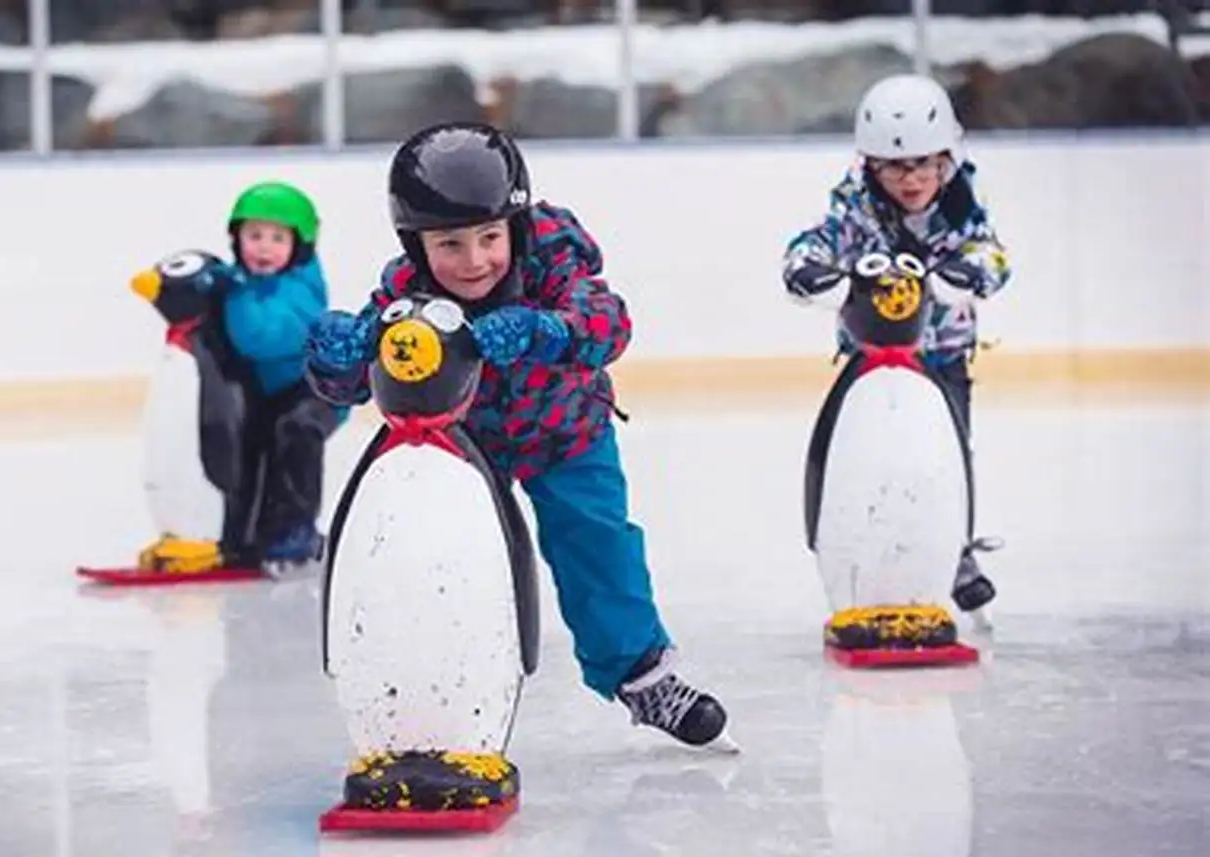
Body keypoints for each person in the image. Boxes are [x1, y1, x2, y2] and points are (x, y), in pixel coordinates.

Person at [304, 122, 736, 751]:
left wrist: (549, 331)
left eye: (488, 238)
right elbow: (363, 382)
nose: (474, 261)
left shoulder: (554, 256)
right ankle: (431, 687)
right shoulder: (405, 292)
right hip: (464, 449)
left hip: (566, 432)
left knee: (595, 540)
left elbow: (607, 322)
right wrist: (338, 361)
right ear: (416, 244)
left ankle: (643, 678)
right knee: (442, 560)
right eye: (450, 244)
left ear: (515, 224)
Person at [781, 73, 1012, 615]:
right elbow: (808, 247)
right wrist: (811, 274)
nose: (911, 179)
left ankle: (957, 551)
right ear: (870, 164)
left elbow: (994, 255)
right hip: (868, 361)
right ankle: (831, 534)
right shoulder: (854, 209)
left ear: (945, 159)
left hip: (942, 357)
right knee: (839, 447)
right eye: (894, 166)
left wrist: (966, 273)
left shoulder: (963, 208)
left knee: (952, 451)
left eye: (923, 163)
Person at [138, 181, 342, 578]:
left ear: (299, 245)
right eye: (254, 235)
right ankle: (242, 533)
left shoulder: (302, 291)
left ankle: (295, 528)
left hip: (312, 390)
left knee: (293, 433)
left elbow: (259, 340)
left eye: (277, 238)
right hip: (264, 391)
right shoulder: (239, 279)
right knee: (242, 445)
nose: (263, 247)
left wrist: (232, 293)